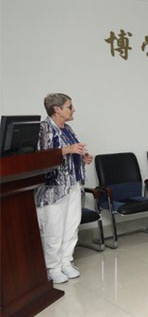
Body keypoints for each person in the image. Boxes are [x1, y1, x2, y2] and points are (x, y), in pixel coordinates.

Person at [35, 93, 93, 284]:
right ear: (57, 109)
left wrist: (83, 158)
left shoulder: (67, 129)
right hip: (53, 189)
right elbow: (41, 157)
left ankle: (66, 262)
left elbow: (70, 155)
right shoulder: (43, 128)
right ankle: (53, 268)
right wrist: (67, 150)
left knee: (71, 227)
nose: (73, 109)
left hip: (73, 184)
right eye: (70, 106)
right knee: (53, 230)